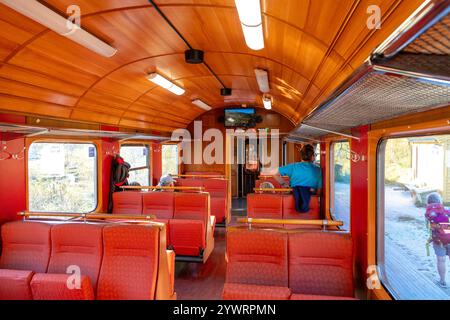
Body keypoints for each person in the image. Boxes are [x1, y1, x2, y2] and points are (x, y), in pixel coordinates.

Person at [274, 144, 322, 213]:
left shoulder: (293, 166)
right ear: (312, 157)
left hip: (291, 205)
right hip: (311, 206)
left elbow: (274, 173)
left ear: (301, 155)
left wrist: (285, 185)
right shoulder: (318, 170)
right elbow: (318, 193)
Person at [425, 192, 450, 288]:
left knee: (441, 260)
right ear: (440, 201)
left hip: (438, 240)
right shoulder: (447, 210)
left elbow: (428, 227)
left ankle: (443, 281)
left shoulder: (428, 214)